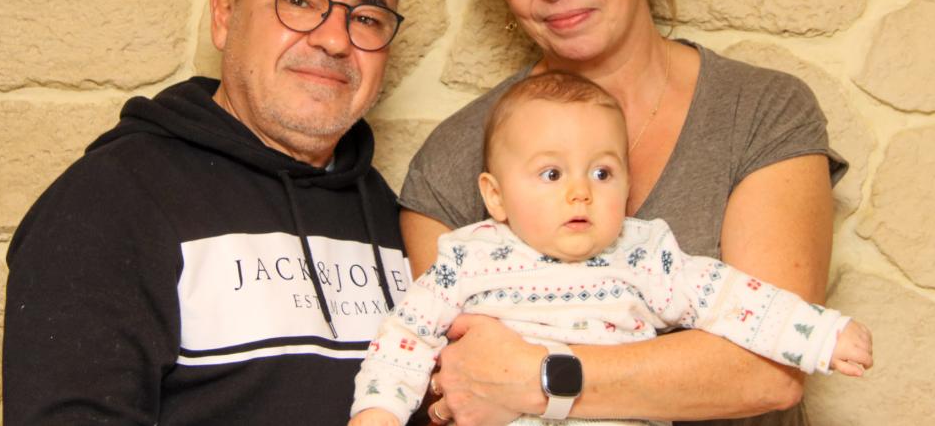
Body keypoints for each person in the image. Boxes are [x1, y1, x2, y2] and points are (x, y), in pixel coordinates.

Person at [399, 0, 849, 426]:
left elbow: (768, 373)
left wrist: (543, 378)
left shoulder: (758, 111)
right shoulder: (452, 160)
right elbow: (466, 386)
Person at [3, 0, 411, 425]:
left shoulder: (393, 217)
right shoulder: (110, 202)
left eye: (368, 18)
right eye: (298, 0)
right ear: (225, 12)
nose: (335, 40)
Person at [351, 73, 872, 426]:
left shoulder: (643, 254)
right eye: (551, 174)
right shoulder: (468, 259)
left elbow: (733, 298)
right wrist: (377, 413)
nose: (580, 192)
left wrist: (820, 334)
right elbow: (407, 336)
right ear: (496, 196)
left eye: (602, 173)